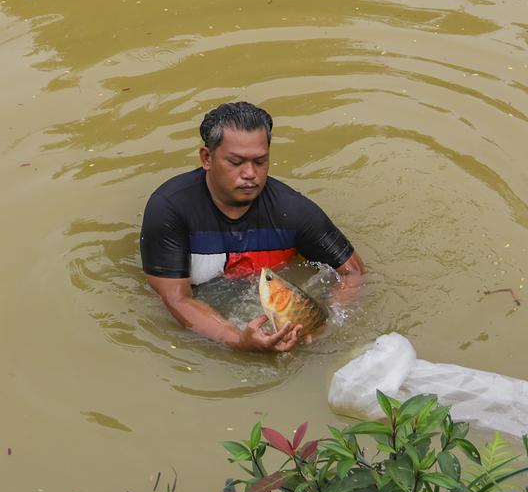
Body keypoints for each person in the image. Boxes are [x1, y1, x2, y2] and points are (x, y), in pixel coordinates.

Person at [140, 102, 366, 352]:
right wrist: (237, 340)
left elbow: (352, 272)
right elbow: (176, 298)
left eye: (260, 161)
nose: (250, 173)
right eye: (236, 162)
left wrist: (325, 327)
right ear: (207, 158)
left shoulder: (294, 212)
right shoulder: (170, 209)